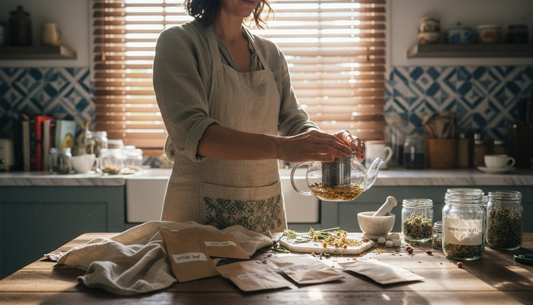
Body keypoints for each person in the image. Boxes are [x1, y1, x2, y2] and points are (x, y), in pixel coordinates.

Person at [153, 0, 365, 233]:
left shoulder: (270, 53)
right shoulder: (178, 42)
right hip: (197, 221)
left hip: (264, 220)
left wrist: (324, 141)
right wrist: (281, 147)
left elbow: (293, 120)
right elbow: (194, 133)